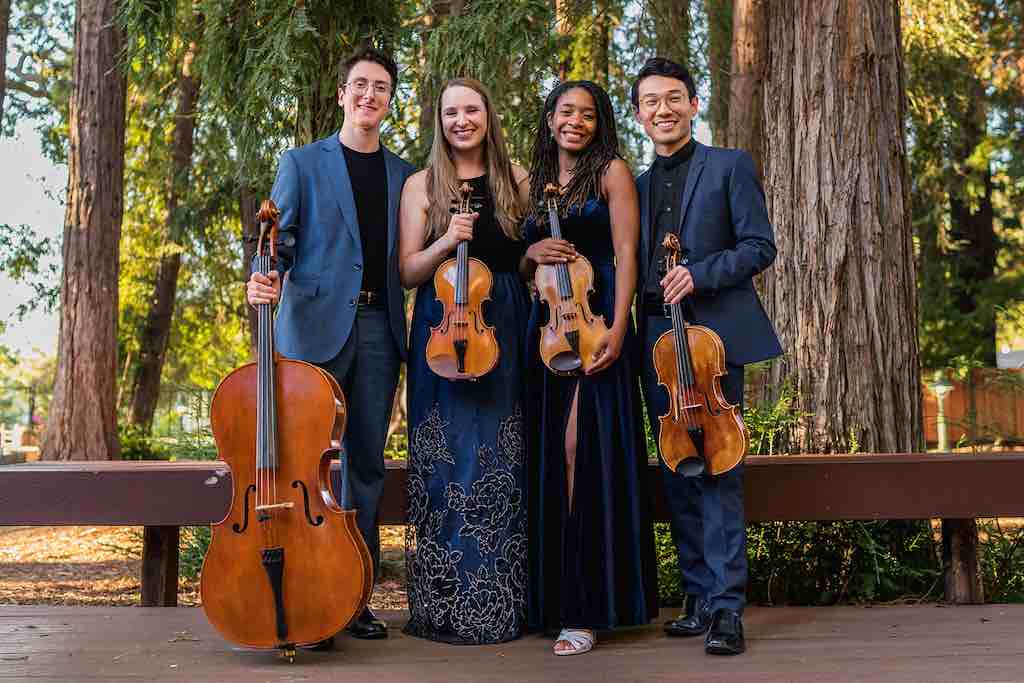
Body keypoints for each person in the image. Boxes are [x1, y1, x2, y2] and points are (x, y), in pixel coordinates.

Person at [245, 47, 415, 643]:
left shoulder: (405, 175)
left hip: (378, 332)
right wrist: (262, 271)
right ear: (343, 95)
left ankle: (354, 597)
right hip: (312, 325)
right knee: (300, 463)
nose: (370, 95)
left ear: (391, 101)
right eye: (360, 85)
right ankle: (299, 589)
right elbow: (276, 241)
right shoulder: (301, 162)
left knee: (364, 466)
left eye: (382, 88)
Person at [631, 57, 783, 656]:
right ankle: (696, 597)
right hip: (656, 345)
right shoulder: (635, 186)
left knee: (718, 469)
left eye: (674, 98)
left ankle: (727, 609)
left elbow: (758, 246)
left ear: (694, 105)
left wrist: (699, 274)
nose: (663, 109)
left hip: (712, 343)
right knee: (677, 468)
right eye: (651, 101)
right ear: (640, 114)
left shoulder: (729, 166)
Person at [521, 80, 658, 656]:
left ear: (599, 123)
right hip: (546, 328)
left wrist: (621, 327)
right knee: (549, 459)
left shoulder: (613, 173)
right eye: (565, 111)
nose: (575, 121)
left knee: (582, 453)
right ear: (550, 117)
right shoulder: (529, 181)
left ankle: (585, 608)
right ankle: (551, 602)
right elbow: (516, 254)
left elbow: (628, 253)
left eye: (587, 114)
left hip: (599, 322)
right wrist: (532, 257)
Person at [397, 78, 531, 645]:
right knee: (446, 465)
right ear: (440, 121)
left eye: (471, 109)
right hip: (439, 329)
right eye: (450, 112)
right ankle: (444, 607)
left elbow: (523, 261)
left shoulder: (517, 178)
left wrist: (535, 258)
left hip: (500, 323)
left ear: (487, 115)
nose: (461, 120)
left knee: (500, 461)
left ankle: (500, 606)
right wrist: (447, 238)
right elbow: (407, 270)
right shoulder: (421, 185)